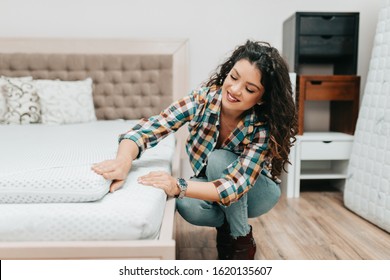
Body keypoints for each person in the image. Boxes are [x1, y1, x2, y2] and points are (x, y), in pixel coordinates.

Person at [92, 40, 297, 260]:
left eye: (249, 89)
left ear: (261, 98)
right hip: (220, 187)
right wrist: (123, 162)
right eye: (234, 77)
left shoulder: (261, 127)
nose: (235, 90)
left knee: (218, 159)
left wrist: (177, 184)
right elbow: (147, 130)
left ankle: (241, 241)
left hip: (258, 192)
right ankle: (228, 227)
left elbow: (235, 186)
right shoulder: (201, 101)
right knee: (186, 203)